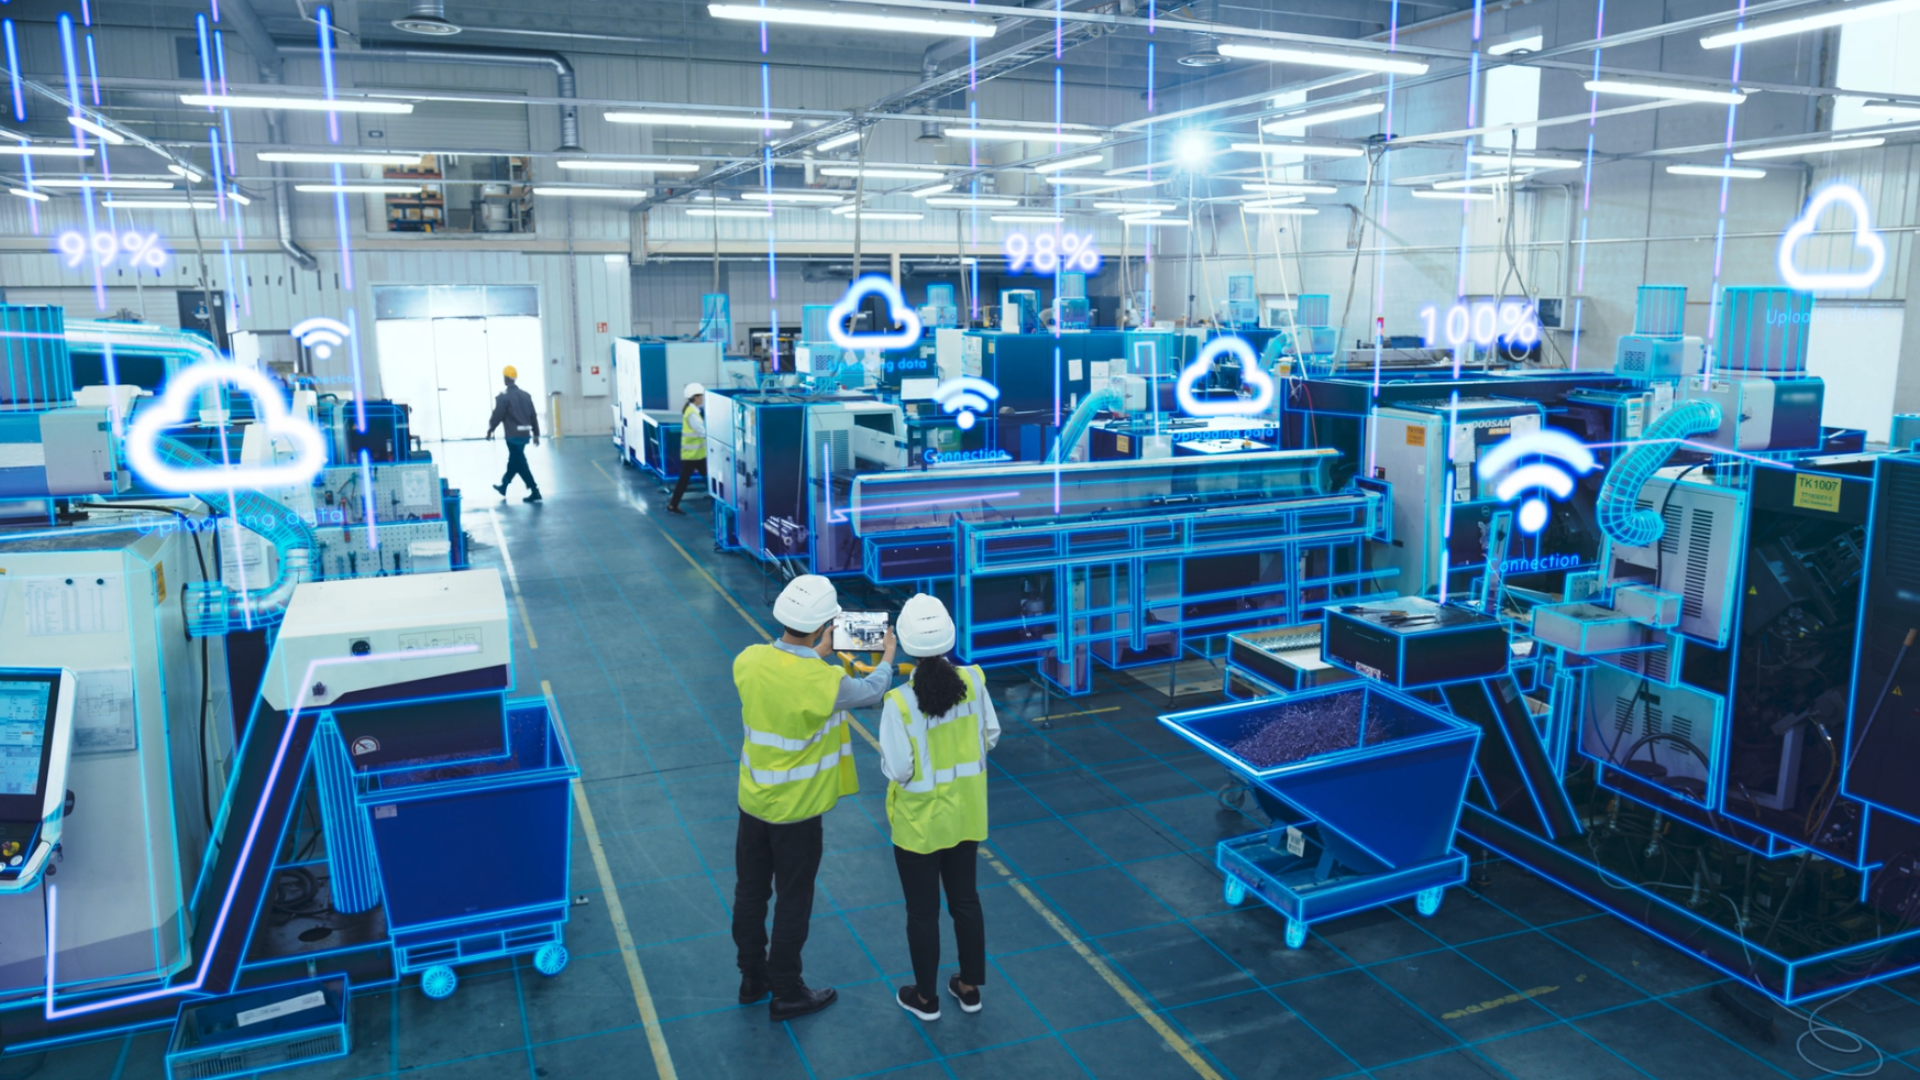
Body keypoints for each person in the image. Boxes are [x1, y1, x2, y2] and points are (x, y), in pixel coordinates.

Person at [733, 575, 898, 1021]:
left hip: (753, 803)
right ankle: (787, 990)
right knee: (793, 900)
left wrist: (816, 651)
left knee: (750, 892)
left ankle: (752, 977)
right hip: (799, 813)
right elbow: (872, 691)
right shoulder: (826, 681)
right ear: (826, 624)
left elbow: (785, 678)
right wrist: (887, 656)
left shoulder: (748, 660)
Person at [879, 594, 999, 1022]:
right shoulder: (975, 681)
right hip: (966, 815)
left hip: (918, 826)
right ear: (950, 636)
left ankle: (925, 998)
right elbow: (990, 736)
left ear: (906, 644)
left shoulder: (899, 702)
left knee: (922, 912)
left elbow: (898, 769)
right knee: (965, 901)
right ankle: (969, 988)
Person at [485, 365, 542, 503]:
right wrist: (536, 434)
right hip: (525, 435)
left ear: (505, 378)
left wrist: (490, 429)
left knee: (520, 463)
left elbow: (497, 415)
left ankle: (535, 490)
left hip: (513, 436)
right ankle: (504, 485)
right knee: (515, 461)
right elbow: (533, 416)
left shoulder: (504, 397)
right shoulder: (526, 395)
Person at [666, 382, 706, 515]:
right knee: (684, 481)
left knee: (702, 478)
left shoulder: (692, 410)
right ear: (695, 397)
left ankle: (673, 505)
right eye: (700, 396)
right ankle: (672, 505)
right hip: (693, 456)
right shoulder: (692, 414)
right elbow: (701, 432)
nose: (702, 398)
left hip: (696, 454)